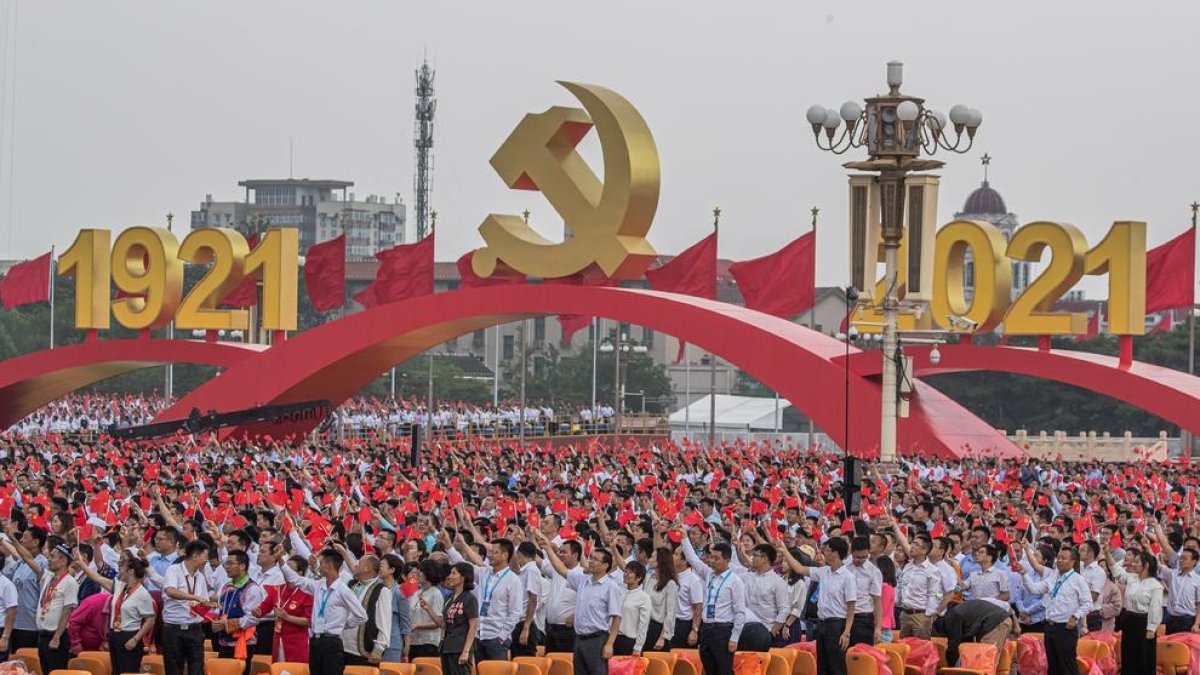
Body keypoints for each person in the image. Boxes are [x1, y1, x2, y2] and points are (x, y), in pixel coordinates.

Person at [536, 530, 623, 675]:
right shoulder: (583, 580)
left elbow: (616, 617)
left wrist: (609, 644)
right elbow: (562, 570)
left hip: (597, 639)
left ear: (605, 565)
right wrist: (548, 549)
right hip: (579, 638)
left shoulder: (611, 587)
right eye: (591, 558)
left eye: (595, 559)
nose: (590, 561)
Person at [280, 548, 369, 675]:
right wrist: (280, 561)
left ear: (330, 565)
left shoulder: (343, 590)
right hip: (316, 640)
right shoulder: (318, 585)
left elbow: (362, 616)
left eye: (321, 563)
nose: (319, 567)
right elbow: (296, 579)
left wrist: (343, 624)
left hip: (331, 642)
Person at [777, 537, 856, 675]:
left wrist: (846, 632)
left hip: (837, 624)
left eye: (828, 550)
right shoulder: (824, 572)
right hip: (822, 624)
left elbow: (851, 607)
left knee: (836, 665)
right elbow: (800, 568)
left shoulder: (848, 577)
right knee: (822, 664)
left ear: (836, 553)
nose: (824, 553)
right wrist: (785, 551)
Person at [3, 536, 78, 674]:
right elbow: (28, 559)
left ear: (63, 561)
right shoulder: (48, 576)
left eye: (53, 557)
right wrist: (12, 538)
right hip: (42, 635)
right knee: (44, 670)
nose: (48, 559)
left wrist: (56, 637)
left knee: (56, 671)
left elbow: (67, 611)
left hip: (56, 636)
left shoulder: (70, 582)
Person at [76, 554, 155, 675]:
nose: (119, 570)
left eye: (122, 568)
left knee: (128, 670)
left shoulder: (142, 594)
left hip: (129, 635)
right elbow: (97, 578)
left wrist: (135, 639)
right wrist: (82, 564)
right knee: (116, 670)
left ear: (131, 571)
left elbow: (150, 619)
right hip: (115, 634)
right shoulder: (120, 586)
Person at [448, 535, 523, 663]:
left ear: (505, 555)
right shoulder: (484, 573)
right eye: (490, 552)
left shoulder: (513, 580)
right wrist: (448, 545)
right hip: (479, 635)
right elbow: (462, 565)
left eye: (494, 552)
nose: (490, 555)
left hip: (496, 637)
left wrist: (502, 636)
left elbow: (515, 612)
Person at [1020, 543, 1092, 675]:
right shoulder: (1053, 576)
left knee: (1067, 665)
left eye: (1063, 558)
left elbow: (1088, 603)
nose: (1059, 561)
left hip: (1066, 627)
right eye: (1058, 557)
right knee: (1053, 665)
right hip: (1050, 626)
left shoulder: (1078, 580)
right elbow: (1035, 589)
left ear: (1072, 561)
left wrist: (1075, 616)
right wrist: (1024, 574)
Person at [160, 540, 212, 675]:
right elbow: (170, 591)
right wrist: (193, 597)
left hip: (194, 628)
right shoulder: (174, 570)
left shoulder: (200, 576)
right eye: (205, 556)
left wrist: (210, 605)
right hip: (174, 628)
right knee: (174, 669)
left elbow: (203, 601)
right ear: (195, 556)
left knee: (197, 668)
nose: (207, 560)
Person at [1110, 550, 1162, 674]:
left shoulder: (1155, 585)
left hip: (1143, 623)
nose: (1133, 564)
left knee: (1143, 656)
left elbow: (1155, 608)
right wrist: (1107, 554)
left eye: (1137, 562)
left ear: (1146, 565)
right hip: (1129, 621)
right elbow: (1117, 572)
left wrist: (1151, 628)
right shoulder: (1132, 578)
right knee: (1128, 654)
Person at [213, 550, 265, 673]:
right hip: (224, 641)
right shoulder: (226, 586)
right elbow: (221, 609)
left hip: (243, 644)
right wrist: (215, 622)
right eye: (226, 564)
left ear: (242, 566)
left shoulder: (252, 589)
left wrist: (226, 625)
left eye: (231, 563)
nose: (227, 567)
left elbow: (252, 618)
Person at [931, 599, 1016, 667]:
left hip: (995, 623)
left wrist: (951, 669)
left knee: (985, 661)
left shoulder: (952, 618)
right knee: (984, 659)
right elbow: (966, 645)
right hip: (995, 621)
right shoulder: (959, 612)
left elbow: (953, 646)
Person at [737, 543, 788, 651]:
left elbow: (784, 609)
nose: (752, 558)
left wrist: (773, 630)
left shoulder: (777, 582)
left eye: (755, 555)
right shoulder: (747, 577)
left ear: (764, 559)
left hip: (766, 631)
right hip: (744, 629)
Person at [343, 554, 392, 666]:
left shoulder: (381, 590)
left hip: (364, 653)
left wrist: (378, 650)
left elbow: (384, 622)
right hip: (342, 649)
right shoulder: (351, 585)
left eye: (359, 563)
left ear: (367, 568)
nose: (355, 565)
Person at [263, 554, 313, 662]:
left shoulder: (307, 592)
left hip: (296, 642)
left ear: (300, 573)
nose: (286, 572)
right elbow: (263, 608)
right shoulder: (277, 589)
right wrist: (256, 611)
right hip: (278, 639)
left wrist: (287, 617)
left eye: (290, 569)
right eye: (285, 568)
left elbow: (309, 621)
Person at [5, 525, 47, 652]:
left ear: (35, 542)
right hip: (14, 620)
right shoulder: (20, 562)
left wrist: (12, 539)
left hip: (30, 623)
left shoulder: (42, 563)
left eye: (25, 537)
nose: (22, 540)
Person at [541, 539, 581, 654]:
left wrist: (576, 615)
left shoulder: (582, 575)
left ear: (575, 555)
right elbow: (536, 560)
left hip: (568, 630)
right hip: (550, 628)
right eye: (559, 551)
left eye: (564, 552)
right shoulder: (555, 570)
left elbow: (589, 601)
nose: (560, 554)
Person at [438, 563, 478, 675]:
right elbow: (443, 624)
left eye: (453, 573)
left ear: (463, 577)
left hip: (459, 647)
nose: (449, 576)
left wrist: (466, 651)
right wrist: (429, 609)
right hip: (446, 647)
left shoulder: (469, 598)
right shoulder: (449, 598)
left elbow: (473, 627)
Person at [410, 559, 446, 659]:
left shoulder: (436, 593)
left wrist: (418, 626)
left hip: (428, 643)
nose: (418, 573)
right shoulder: (416, 592)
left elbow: (438, 622)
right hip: (413, 641)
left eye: (421, 571)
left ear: (428, 573)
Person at [380, 554, 412, 663]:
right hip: (375, 640)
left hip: (392, 641)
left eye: (382, 565)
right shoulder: (376, 588)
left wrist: (407, 644)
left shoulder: (400, 592)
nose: (379, 568)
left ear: (392, 570)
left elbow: (405, 620)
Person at [645, 547, 678, 652]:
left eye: (653, 557)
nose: (649, 559)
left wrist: (662, 637)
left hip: (657, 628)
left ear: (661, 561)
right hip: (644, 625)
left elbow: (670, 613)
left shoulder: (670, 584)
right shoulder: (649, 578)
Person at [616, 561, 651, 656]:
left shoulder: (644, 598)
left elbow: (643, 625)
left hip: (629, 640)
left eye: (630, 572)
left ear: (639, 578)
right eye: (625, 571)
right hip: (613, 637)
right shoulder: (619, 591)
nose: (625, 574)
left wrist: (638, 647)